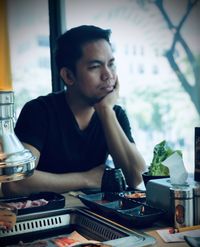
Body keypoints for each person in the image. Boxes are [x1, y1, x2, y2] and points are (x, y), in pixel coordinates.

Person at [2, 25, 146, 197]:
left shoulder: (114, 114)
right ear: (68, 76)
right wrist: (87, 179)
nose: (108, 75)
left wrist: (106, 111)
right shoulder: (39, 111)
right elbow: (16, 182)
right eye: (95, 67)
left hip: (93, 215)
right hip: (48, 217)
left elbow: (136, 177)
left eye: (111, 64)